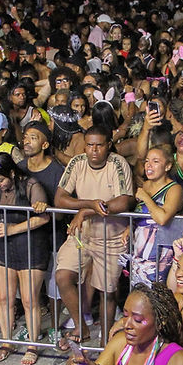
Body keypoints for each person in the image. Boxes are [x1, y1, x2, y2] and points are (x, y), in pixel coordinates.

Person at [54, 126, 135, 346]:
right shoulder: (77, 162)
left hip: (111, 238)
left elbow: (124, 201)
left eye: (99, 145)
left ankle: (105, 344)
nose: (94, 150)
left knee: (107, 292)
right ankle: (81, 326)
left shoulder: (118, 163)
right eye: (90, 145)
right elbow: (60, 199)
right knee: (62, 276)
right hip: (83, 235)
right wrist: (89, 204)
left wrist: (85, 211)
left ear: (108, 145)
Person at [0, 153, 51, 365]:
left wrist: (12, 229)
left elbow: (43, 217)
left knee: (29, 300)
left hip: (30, 247)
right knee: (4, 298)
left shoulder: (31, 185)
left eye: (0, 180)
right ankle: (7, 341)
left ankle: (32, 345)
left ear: (11, 173)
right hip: (4, 248)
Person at [129, 145, 183, 284]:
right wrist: (129, 228)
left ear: (167, 166)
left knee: (156, 290)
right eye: (147, 161)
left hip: (161, 250)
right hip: (140, 247)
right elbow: (139, 214)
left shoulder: (174, 189)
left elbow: (162, 218)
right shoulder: (145, 185)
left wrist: (145, 197)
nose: (149, 165)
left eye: (155, 161)